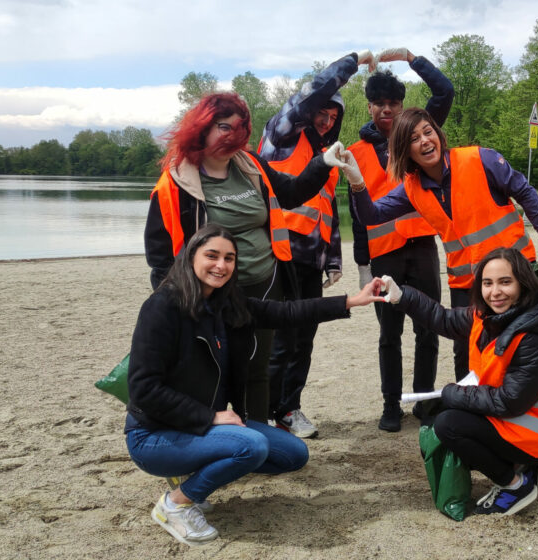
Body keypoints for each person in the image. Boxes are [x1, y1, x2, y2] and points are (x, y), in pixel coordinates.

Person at [127, 225, 385, 546]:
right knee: (253, 447)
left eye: (229, 258)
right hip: (154, 435)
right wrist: (211, 417)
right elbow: (143, 390)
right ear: (191, 256)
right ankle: (176, 504)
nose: (221, 265)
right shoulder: (163, 307)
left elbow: (287, 312)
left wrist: (351, 301)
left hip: (205, 426)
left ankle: (191, 471)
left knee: (294, 454)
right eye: (212, 256)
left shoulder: (227, 304)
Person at [144, 91, 339, 422]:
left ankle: (258, 435)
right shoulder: (176, 183)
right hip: (210, 294)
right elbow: (160, 255)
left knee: (257, 369)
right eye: (223, 126)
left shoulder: (251, 165)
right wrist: (174, 305)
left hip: (265, 285)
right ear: (202, 127)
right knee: (211, 369)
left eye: (239, 128)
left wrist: (323, 163)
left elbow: (291, 192)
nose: (232, 136)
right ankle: (216, 434)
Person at [345, 108, 538, 384]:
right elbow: (371, 215)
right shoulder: (411, 187)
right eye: (414, 138)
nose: (425, 141)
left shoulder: (480, 159)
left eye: (428, 132)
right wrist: (357, 182)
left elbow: (524, 190)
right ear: (405, 150)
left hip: (514, 271)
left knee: (523, 339)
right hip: (465, 281)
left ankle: (536, 394)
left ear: (438, 134)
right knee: (465, 349)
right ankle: (472, 402)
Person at [378, 247, 538, 516]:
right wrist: (403, 296)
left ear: (524, 283)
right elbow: (444, 319)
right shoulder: (488, 316)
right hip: (520, 417)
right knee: (443, 415)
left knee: (448, 424)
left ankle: (515, 484)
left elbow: (509, 402)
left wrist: (452, 393)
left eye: (505, 282)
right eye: (487, 283)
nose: (495, 292)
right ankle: (520, 465)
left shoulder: (534, 339)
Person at [258, 50, 376, 438]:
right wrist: (353, 62)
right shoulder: (282, 136)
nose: (326, 120)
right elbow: (311, 93)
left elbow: (327, 209)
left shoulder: (328, 156)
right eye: (321, 113)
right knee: (279, 339)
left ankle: (288, 409)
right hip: (277, 254)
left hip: (311, 258)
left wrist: (333, 259)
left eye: (333, 116)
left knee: (303, 340)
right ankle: (262, 413)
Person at [346, 48, 454, 432]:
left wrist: (411, 58)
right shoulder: (356, 153)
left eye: (393, 102)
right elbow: (357, 214)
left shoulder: (416, 136)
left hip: (422, 248)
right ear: (370, 107)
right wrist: (362, 265)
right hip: (384, 255)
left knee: (428, 328)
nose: (387, 109)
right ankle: (391, 405)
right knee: (389, 334)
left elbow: (444, 92)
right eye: (380, 103)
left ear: (401, 105)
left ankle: (422, 401)